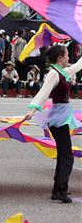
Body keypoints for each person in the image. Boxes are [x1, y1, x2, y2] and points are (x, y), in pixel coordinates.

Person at [24, 44, 82, 203]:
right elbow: (44, 92)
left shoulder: (63, 71)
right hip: (58, 117)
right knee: (67, 156)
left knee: (65, 154)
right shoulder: (53, 74)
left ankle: (59, 188)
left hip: (61, 115)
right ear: (60, 58)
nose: (69, 58)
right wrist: (33, 110)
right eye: (66, 55)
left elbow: (77, 66)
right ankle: (59, 190)